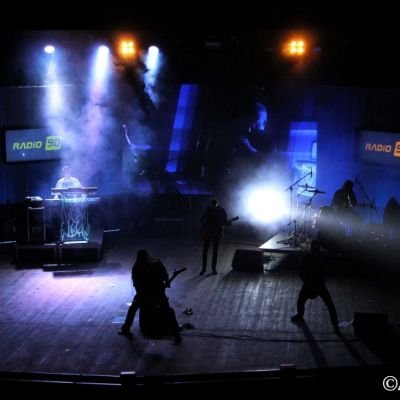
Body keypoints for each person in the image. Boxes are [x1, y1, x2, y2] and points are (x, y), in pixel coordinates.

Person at [118, 249, 182, 343]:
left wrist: (142, 296)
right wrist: (166, 281)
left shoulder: (139, 266)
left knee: (133, 308)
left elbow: (137, 284)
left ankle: (126, 328)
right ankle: (176, 333)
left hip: (152, 291)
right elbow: (164, 274)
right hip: (152, 292)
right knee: (168, 310)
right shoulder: (151, 264)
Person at [291, 240, 340, 333]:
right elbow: (329, 267)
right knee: (330, 304)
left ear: (311, 248)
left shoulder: (307, 258)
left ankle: (300, 315)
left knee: (301, 300)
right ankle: (335, 324)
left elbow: (301, 273)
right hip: (318, 284)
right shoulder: (322, 257)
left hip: (310, 283)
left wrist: (306, 281)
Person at [200, 198, 230, 275]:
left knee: (215, 251)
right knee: (205, 251)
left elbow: (225, 221)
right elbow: (202, 219)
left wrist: (227, 223)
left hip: (217, 233)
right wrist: (205, 226)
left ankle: (213, 269)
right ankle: (204, 268)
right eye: (212, 205)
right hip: (209, 232)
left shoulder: (221, 210)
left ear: (217, 205)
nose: (213, 207)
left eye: (214, 206)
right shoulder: (208, 209)